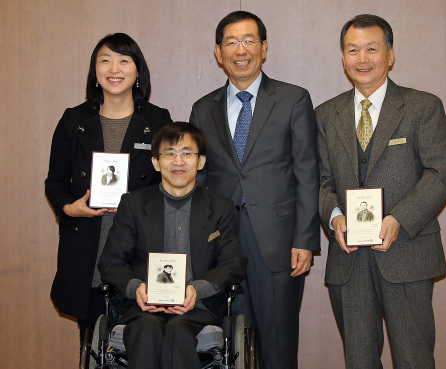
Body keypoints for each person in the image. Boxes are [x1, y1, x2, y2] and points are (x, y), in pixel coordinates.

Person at [315, 14, 446, 368]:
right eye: (353, 50)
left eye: (372, 49)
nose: (362, 59)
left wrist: (399, 219)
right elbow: (321, 180)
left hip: (407, 250)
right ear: (343, 57)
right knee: (359, 360)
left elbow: (439, 175)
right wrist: (334, 217)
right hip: (349, 258)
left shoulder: (423, 107)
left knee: (414, 358)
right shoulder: (325, 115)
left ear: (389, 55)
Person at [189, 11, 320, 369]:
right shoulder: (203, 109)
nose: (240, 49)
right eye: (231, 42)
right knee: (226, 345)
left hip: (278, 243)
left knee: (277, 347)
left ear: (264, 48)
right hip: (222, 244)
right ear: (218, 52)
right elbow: (198, 182)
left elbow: (308, 172)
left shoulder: (293, 99)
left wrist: (305, 239)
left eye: (249, 40)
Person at [45, 32, 172, 346]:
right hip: (88, 247)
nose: (114, 68)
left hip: (139, 250)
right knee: (93, 344)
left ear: (138, 71)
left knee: (141, 344)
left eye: (123, 60)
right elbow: (55, 183)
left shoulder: (158, 121)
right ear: (95, 71)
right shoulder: (73, 121)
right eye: (105, 60)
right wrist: (68, 207)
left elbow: (171, 185)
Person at [98, 123, 246, 369]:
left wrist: (197, 289)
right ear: (156, 162)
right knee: (146, 328)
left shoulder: (220, 207)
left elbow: (233, 263)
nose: (179, 161)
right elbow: (111, 262)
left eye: (187, 153)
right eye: (170, 153)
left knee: (178, 332)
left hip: (197, 308)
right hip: (143, 307)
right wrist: (137, 288)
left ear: (201, 161)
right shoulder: (133, 205)